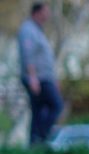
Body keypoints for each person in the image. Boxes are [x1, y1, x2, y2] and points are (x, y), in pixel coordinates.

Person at [18, 3, 63, 146]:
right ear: (37, 13)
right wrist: (33, 78)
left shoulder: (38, 31)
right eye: (45, 12)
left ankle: (34, 144)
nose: (48, 15)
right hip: (38, 78)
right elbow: (28, 55)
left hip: (45, 77)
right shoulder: (28, 29)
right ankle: (42, 136)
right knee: (56, 105)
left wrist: (54, 79)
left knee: (38, 111)